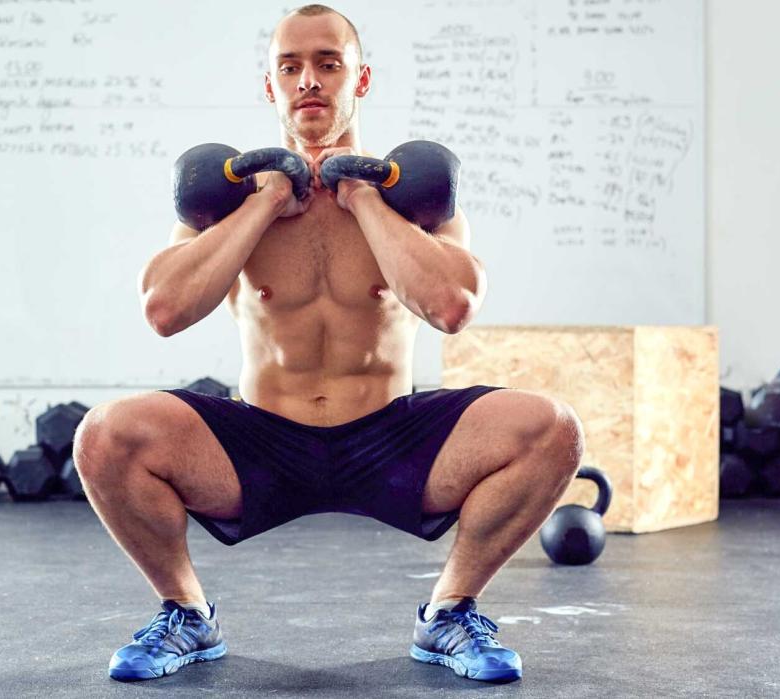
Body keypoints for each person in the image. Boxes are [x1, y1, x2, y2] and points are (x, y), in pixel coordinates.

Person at [73, 4, 584, 684]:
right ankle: (187, 613)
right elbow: (164, 309)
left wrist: (362, 197)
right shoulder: (225, 200)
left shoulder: (413, 194)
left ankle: (450, 612)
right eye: (290, 67)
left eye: (327, 64)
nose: (308, 81)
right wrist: (263, 202)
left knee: (551, 429)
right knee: (104, 436)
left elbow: (453, 304)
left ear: (360, 80)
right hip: (261, 441)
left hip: (389, 437)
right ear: (271, 86)